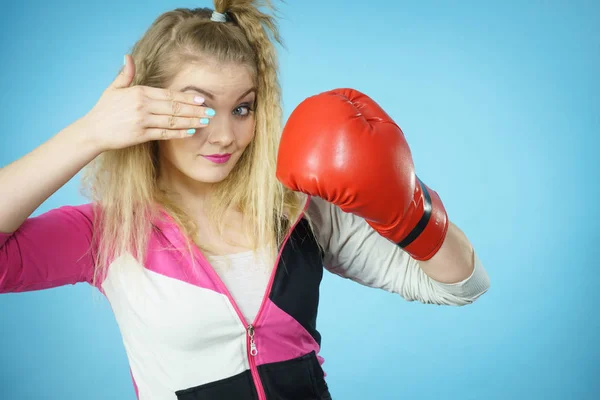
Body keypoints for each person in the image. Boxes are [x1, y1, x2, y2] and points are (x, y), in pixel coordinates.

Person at [0, 1, 491, 399]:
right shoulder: (110, 232)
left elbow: (461, 286)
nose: (224, 135)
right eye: (198, 106)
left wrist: (410, 209)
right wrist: (87, 135)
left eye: (242, 108)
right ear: (146, 107)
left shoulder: (299, 211)